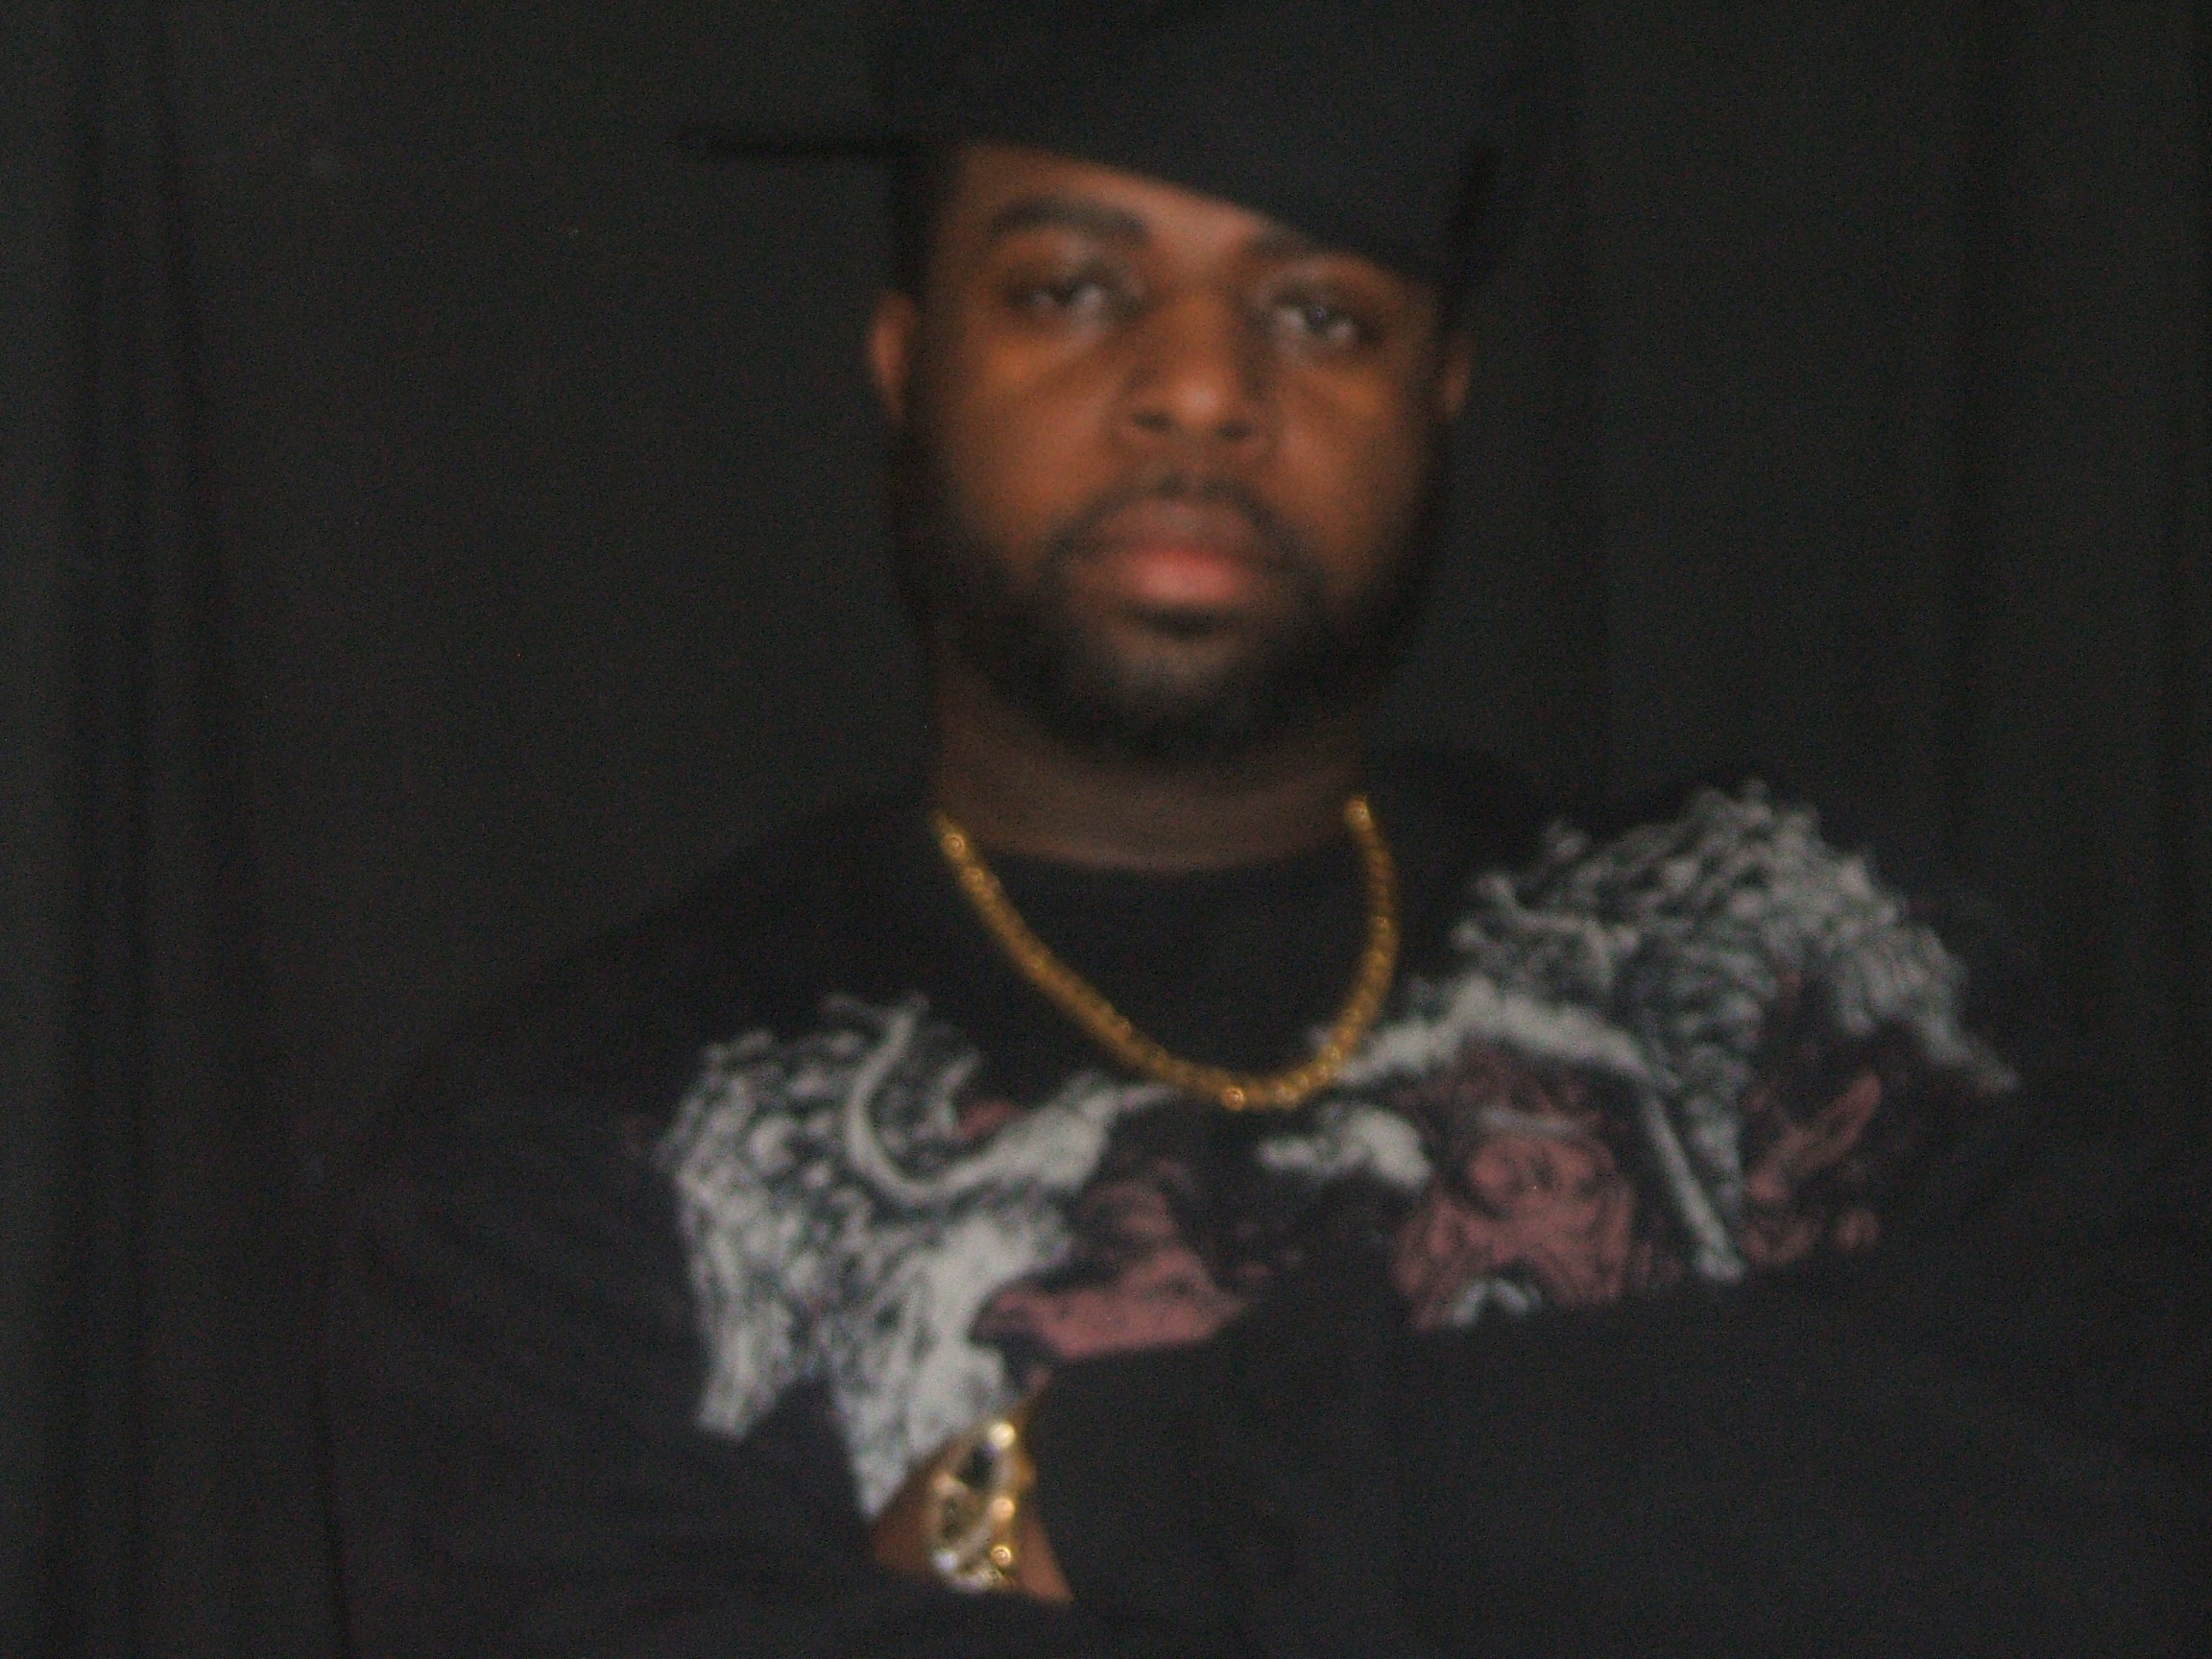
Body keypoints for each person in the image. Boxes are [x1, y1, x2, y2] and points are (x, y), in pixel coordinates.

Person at [324, 4, 2209, 1655]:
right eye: (1069, 287)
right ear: (907, 364)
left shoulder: (1772, 934)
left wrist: (1137, 1491)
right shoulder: (585, 1153)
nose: (1206, 387)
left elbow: (2147, 1467)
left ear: (1440, 394)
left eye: (1321, 311)